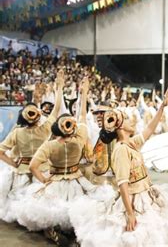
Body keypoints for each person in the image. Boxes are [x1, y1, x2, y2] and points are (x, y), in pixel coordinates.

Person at [70, 101, 168, 246]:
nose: (133, 121)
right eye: (128, 119)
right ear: (121, 126)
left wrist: (162, 108)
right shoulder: (121, 150)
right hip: (134, 200)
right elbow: (123, 184)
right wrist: (130, 214)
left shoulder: (130, 143)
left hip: (145, 194)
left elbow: (149, 129)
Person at [16, 77, 114, 245]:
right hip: (77, 180)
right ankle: (74, 232)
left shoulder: (50, 145)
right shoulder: (79, 139)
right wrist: (84, 93)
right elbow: (82, 115)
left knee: (54, 210)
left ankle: (53, 230)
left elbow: (33, 166)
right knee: (79, 208)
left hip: (56, 181)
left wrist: (44, 180)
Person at [0, 69, 64, 223]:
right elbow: (56, 109)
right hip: (43, 170)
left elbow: (0, 151)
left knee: (21, 206)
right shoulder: (45, 128)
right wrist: (59, 87)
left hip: (22, 171)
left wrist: (14, 163)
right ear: (37, 117)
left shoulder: (17, 132)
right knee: (43, 206)